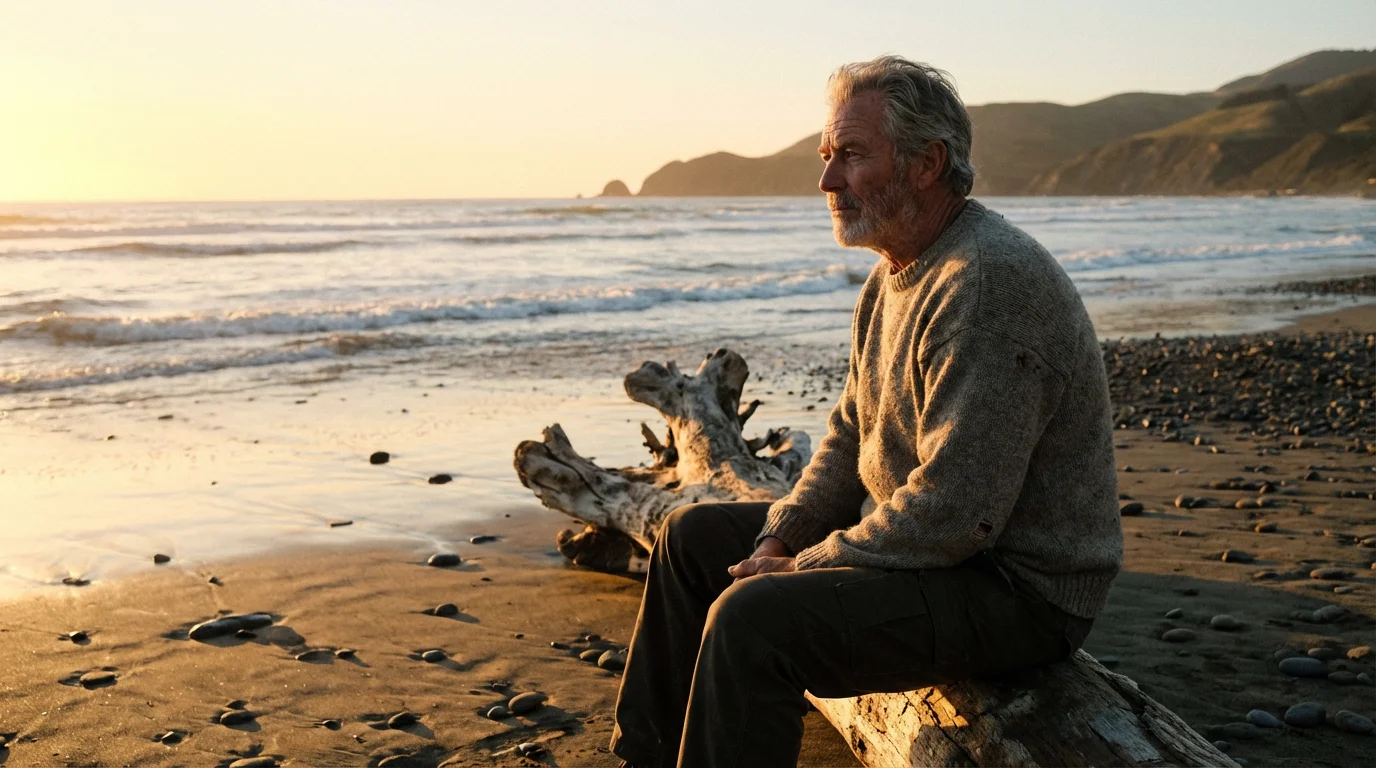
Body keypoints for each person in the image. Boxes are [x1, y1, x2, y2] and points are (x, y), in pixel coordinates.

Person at [609, 55, 1123, 768]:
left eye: (850, 156)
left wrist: (809, 565)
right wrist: (780, 534)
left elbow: (957, 509)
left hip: (1014, 587)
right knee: (691, 538)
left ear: (926, 163)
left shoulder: (987, 285)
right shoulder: (894, 275)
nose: (826, 180)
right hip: (934, 547)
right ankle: (644, 757)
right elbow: (850, 436)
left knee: (753, 621)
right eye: (827, 156)